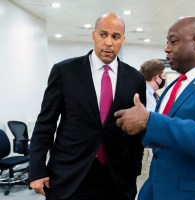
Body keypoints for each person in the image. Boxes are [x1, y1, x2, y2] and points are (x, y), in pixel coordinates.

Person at [114, 16, 195, 200]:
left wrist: (149, 121)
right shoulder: (172, 87)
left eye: (173, 41)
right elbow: (162, 140)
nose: (166, 48)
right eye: (167, 42)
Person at [29, 12, 146, 200]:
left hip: (117, 178)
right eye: (103, 34)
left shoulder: (135, 79)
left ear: (122, 40)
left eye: (115, 37)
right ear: (94, 36)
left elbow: (137, 132)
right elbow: (46, 123)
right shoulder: (65, 71)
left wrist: (134, 168)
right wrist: (37, 169)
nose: (108, 42)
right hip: (70, 176)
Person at [137, 59, 166, 190]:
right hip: (146, 151)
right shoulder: (144, 95)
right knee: (144, 187)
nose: (164, 78)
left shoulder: (153, 95)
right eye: (163, 75)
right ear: (156, 77)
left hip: (152, 149)